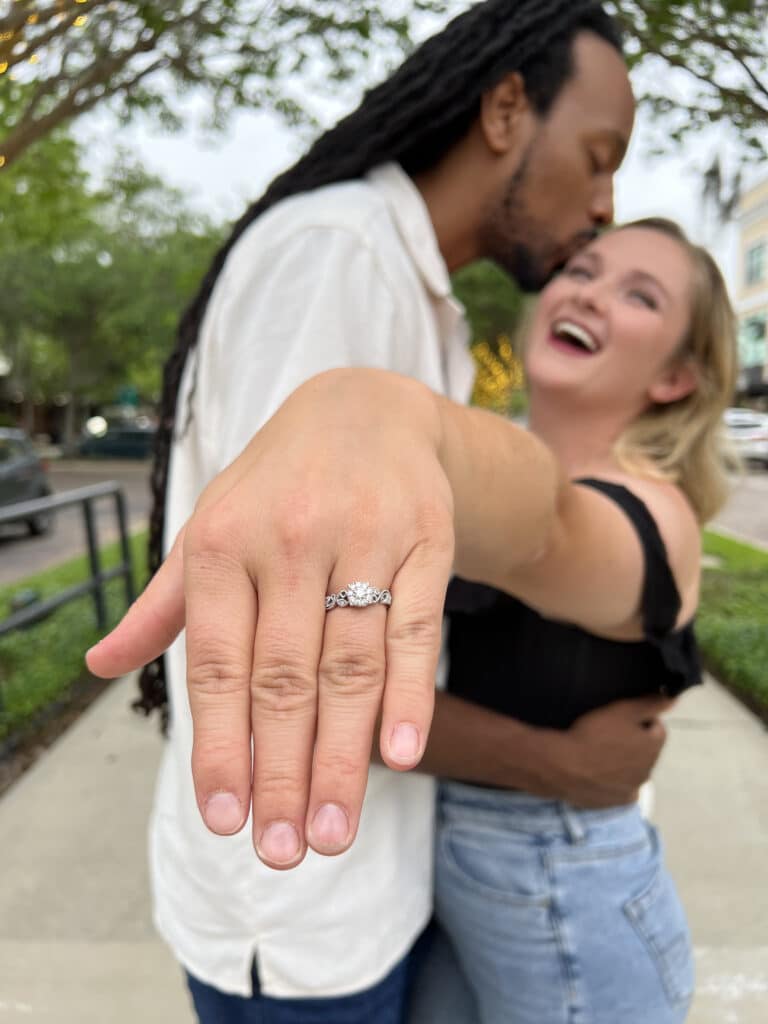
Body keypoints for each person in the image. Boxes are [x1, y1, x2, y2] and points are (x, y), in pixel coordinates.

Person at [85, 2, 655, 1019]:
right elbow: (287, 649)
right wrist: (559, 767)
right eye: (600, 155)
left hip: (367, 882)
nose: (605, 202)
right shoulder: (339, 256)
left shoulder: (409, 286)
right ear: (507, 109)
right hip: (302, 916)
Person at [96, 217, 736, 1022]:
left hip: (569, 900)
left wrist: (374, 406)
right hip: (443, 892)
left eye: (638, 295)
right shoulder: (482, 463)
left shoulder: (657, 516)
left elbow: (548, 527)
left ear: (677, 376)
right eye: (584, 270)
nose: (589, 293)